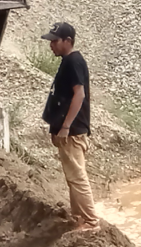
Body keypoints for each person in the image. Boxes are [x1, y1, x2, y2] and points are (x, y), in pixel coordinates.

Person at [40, 21, 99, 232]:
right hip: (69, 129)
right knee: (73, 177)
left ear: (68, 41)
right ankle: (79, 218)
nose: (51, 45)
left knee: (77, 176)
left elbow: (79, 94)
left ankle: (90, 221)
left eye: (55, 41)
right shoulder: (69, 61)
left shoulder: (73, 62)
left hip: (72, 131)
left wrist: (65, 127)